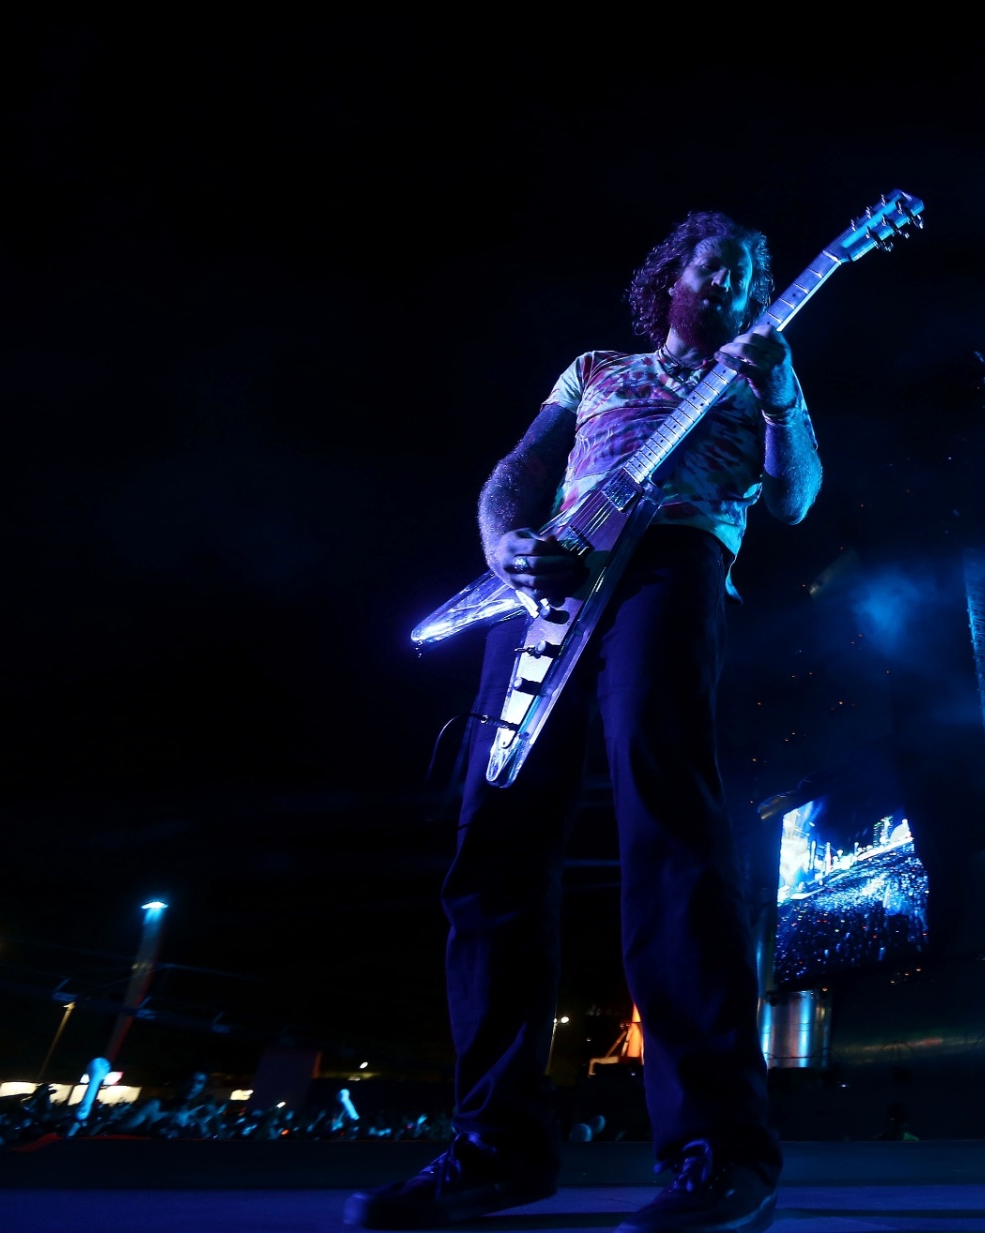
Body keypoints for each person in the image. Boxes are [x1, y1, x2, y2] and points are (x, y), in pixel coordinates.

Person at [347, 211, 820, 1233]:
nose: (730, 280)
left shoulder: (758, 375)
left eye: (747, 273)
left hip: (674, 560)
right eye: (713, 263)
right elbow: (516, 471)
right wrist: (507, 545)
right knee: (492, 858)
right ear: (672, 277)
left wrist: (778, 386)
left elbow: (794, 501)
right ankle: (495, 1149)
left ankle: (719, 1151)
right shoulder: (595, 367)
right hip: (549, 583)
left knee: (671, 828)